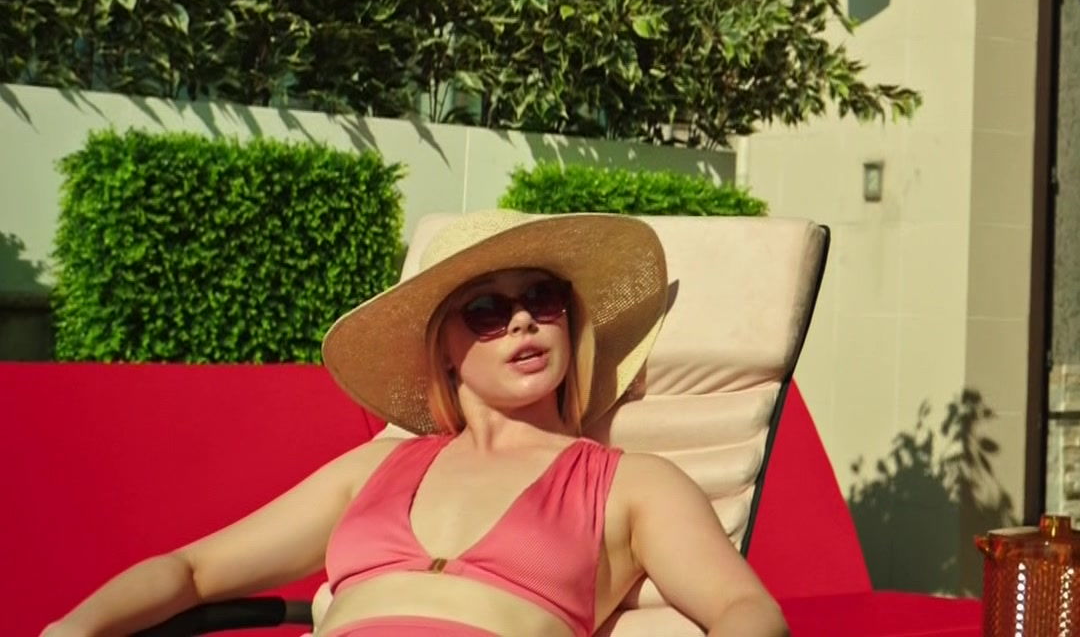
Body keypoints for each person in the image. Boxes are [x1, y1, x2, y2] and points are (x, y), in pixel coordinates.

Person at [43, 209, 790, 637]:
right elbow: (192, 571)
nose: (523, 320)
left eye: (543, 298)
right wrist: (68, 631)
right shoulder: (375, 470)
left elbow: (744, 609)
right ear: (447, 352)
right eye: (487, 310)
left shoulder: (632, 483)